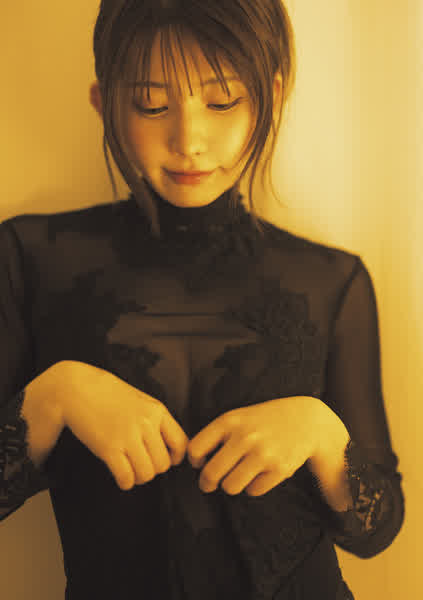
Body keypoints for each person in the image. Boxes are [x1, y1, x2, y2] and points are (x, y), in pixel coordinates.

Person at [0, 1, 405, 599]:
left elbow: (377, 529)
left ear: (271, 96)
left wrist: (323, 435)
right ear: (103, 103)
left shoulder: (332, 280)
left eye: (222, 101)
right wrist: (53, 397)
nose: (189, 140)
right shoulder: (29, 257)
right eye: (151, 104)